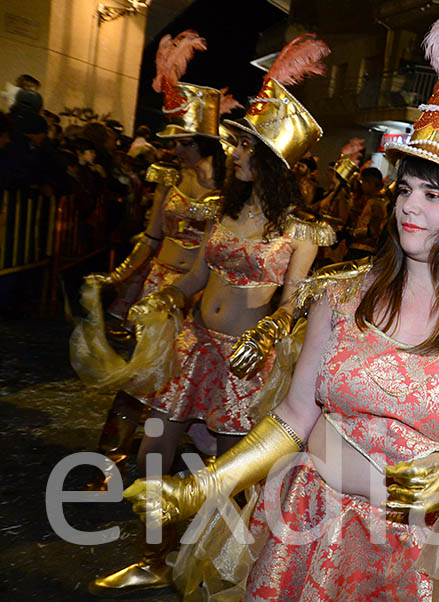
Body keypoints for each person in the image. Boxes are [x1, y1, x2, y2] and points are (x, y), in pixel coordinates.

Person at [120, 5, 439, 600]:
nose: (410, 208)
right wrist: (203, 486)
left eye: (433, 195)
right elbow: (292, 418)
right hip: (305, 530)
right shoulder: (337, 295)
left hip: (420, 555)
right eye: (406, 189)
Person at [86, 33, 335, 597]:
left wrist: (270, 329)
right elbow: (197, 277)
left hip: (243, 364)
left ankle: (234, 569)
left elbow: (293, 300)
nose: (235, 153)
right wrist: (167, 299)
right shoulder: (216, 211)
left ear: (271, 159)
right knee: (154, 454)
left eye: (246, 146)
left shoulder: (299, 231)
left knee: (232, 476)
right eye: (235, 144)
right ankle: (154, 555)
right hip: (191, 349)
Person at [71, 31, 225, 491]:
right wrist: (119, 277)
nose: (173, 148)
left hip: (199, 297)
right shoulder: (168, 178)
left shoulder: (231, 192)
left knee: (186, 382)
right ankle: (111, 464)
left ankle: (200, 467)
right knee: (141, 378)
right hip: (161, 288)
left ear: (201, 142)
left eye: (182, 141)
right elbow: (152, 236)